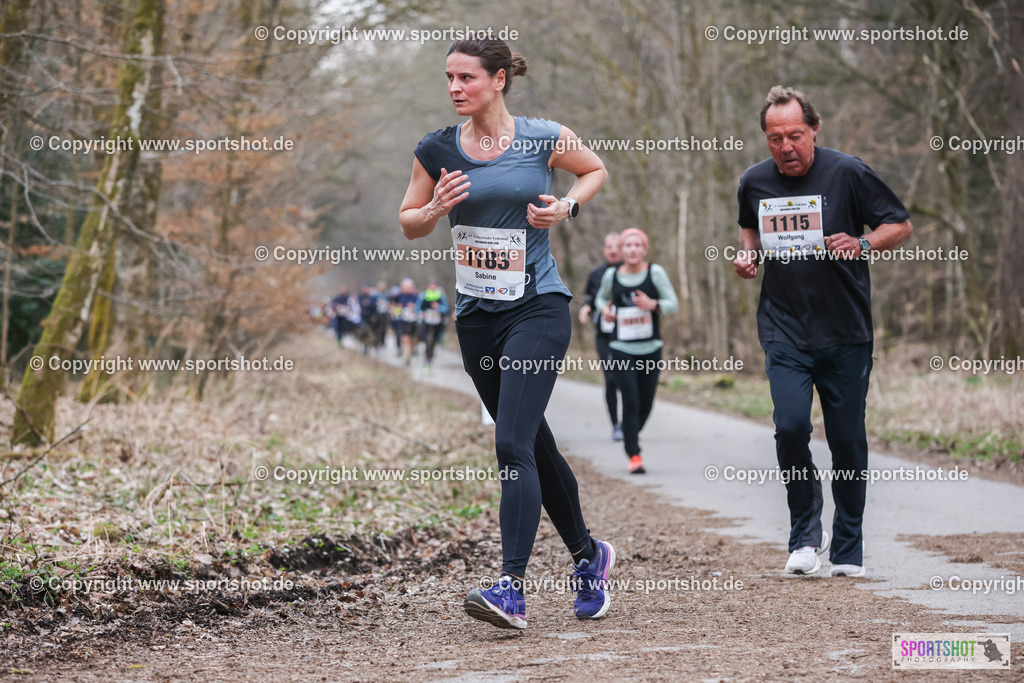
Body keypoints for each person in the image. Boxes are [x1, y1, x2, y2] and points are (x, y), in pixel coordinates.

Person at [399, 37, 613, 630]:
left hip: (537, 308)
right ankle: (590, 558)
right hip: (475, 319)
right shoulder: (436, 147)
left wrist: (567, 208)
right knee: (532, 444)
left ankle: (510, 588)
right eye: (448, 78)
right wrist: (436, 209)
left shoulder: (543, 136)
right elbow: (409, 221)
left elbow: (594, 169)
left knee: (510, 446)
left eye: (465, 77)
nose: (453, 87)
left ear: (498, 80)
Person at [733, 86, 912, 578]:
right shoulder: (753, 180)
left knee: (847, 439)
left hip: (846, 330)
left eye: (795, 135)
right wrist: (748, 254)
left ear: (813, 130)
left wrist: (862, 242)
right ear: (765, 139)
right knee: (791, 428)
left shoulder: (848, 172)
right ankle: (804, 536)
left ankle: (848, 545)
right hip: (784, 329)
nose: (786, 147)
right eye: (775, 138)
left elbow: (899, 224)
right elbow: (750, 227)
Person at [595, 228, 678, 474]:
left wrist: (654, 304)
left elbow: (673, 304)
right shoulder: (612, 275)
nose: (632, 249)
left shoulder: (655, 272)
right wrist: (605, 310)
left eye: (637, 245)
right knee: (630, 399)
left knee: (646, 402)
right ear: (621, 250)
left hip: (650, 347)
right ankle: (634, 455)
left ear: (644, 249)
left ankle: (632, 433)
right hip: (621, 347)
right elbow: (600, 298)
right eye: (627, 245)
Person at [579, 232, 623, 441]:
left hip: (629, 337)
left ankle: (630, 423)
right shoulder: (597, 274)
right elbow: (590, 296)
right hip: (604, 335)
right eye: (608, 246)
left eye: (617, 246)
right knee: (611, 378)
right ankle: (616, 425)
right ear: (604, 250)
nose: (613, 250)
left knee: (629, 381)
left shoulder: (633, 272)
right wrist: (586, 308)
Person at [416, 277, 449, 369]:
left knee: (434, 341)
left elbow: (446, 309)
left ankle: (429, 359)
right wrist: (420, 313)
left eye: (434, 285)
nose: (432, 287)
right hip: (426, 321)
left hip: (437, 322)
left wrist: (438, 307)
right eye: (431, 285)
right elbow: (418, 308)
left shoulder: (441, 296)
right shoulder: (423, 296)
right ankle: (426, 357)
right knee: (426, 340)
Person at [393, 278, 419, 365]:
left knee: (412, 339)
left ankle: (411, 351)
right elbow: (395, 310)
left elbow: (420, 309)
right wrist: (398, 309)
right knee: (404, 338)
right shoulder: (399, 297)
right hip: (403, 321)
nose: (407, 289)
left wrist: (414, 307)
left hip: (413, 321)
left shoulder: (416, 296)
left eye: (409, 287)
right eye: (405, 287)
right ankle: (406, 355)